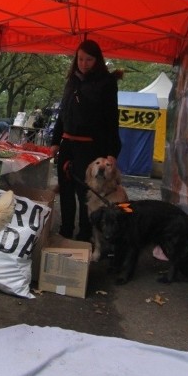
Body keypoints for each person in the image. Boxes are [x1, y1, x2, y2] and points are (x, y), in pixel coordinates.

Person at [50, 39, 121, 244]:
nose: (83, 63)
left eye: (88, 60)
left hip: (90, 146)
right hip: (67, 144)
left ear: (97, 60)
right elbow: (63, 113)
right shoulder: (72, 80)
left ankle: (84, 234)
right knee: (65, 189)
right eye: (80, 59)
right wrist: (55, 141)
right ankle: (65, 230)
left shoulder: (107, 83)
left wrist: (112, 152)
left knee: (85, 191)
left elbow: (111, 119)